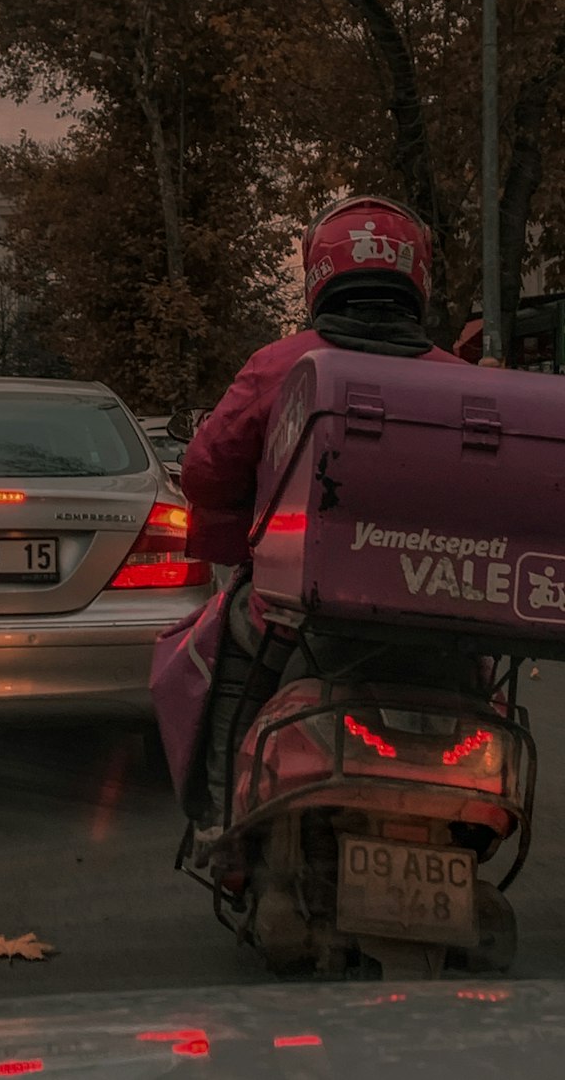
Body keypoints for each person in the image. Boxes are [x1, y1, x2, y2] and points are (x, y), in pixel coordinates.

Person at [179, 195, 464, 859]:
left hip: (303, 617)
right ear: (414, 274)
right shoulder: (461, 379)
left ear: (319, 275)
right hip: (440, 614)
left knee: (232, 658)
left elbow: (204, 472)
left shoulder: (277, 366)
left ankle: (222, 823)